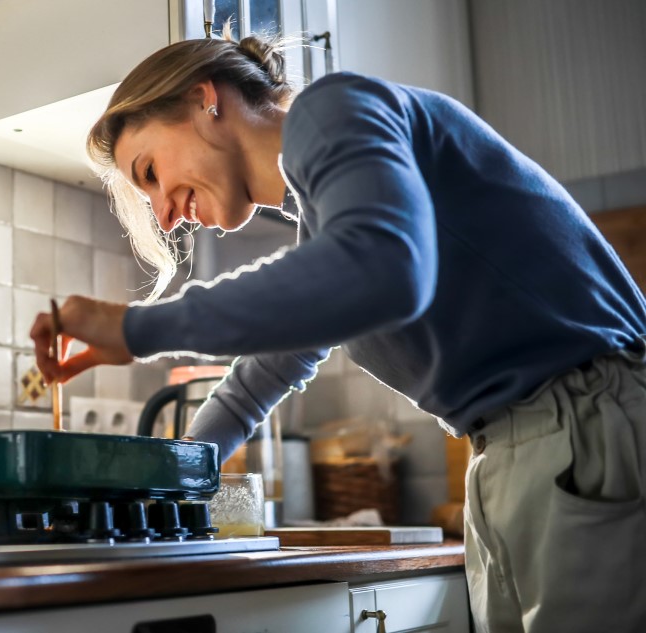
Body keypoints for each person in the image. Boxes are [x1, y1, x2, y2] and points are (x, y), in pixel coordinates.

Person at [31, 35, 646, 633]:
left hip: (589, 431)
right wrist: (170, 483)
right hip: (525, 455)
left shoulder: (333, 109)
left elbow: (382, 267)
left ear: (203, 100)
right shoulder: (328, 227)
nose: (164, 213)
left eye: (151, 172)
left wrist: (137, 327)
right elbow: (259, 379)